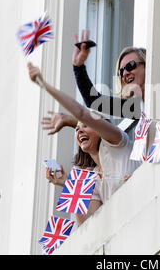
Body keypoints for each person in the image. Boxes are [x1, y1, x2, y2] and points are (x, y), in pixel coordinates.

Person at [28, 62, 140, 214]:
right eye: (76, 129)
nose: (79, 132)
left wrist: (44, 85)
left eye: (85, 126)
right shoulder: (93, 177)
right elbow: (88, 224)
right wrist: (69, 184)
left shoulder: (116, 142)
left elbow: (82, 114)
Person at [72, 29, 146, 120]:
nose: (125, 74)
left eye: (130, 66)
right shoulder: (134, 108)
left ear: (147, 65)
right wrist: (78, 66)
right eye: (121, 72)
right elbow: (94, 101)